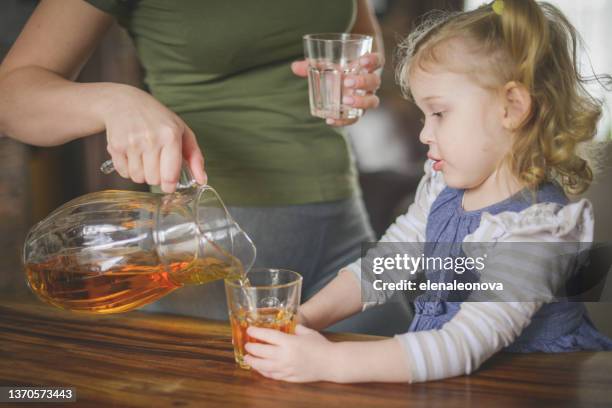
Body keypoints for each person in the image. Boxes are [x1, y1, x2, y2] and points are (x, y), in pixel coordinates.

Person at [242, 0, 612, 383]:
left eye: (439, 113)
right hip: (458, 384)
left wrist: (328, 362)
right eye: (423, 115)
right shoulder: (442, 190)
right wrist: (304, 318)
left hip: (531, 389)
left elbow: (462, 344)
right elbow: (381, 270)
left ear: (512, 107)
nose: (423, 133)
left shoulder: (537, 231)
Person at [0, 0, 410, 333]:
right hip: (203, 242)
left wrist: (358, 77)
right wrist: (114, 101)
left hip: (343, 216)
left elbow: (360, 33)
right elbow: (11, 97)